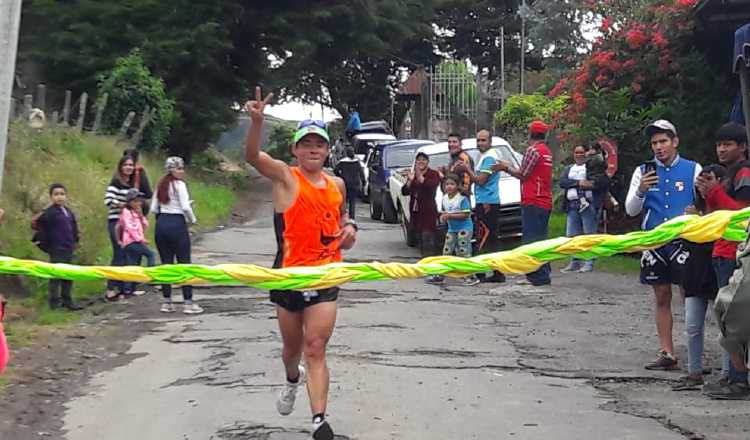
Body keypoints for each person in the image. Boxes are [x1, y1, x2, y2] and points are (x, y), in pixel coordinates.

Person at [245, 87, 357, 440]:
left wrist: (350, 229)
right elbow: (252, 157)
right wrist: (257, 122)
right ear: (295, 149)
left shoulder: (336, 182)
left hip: (325, 276)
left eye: (319, 144)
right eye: (306, 143)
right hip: (290, 276)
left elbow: (342, 218)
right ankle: (292, 380)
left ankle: (318, 421)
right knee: (292, 351)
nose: (313, 149)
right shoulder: (285, 176)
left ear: (327, 150)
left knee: (315, 347)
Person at [625, 119, 701, 371]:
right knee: (661, 294)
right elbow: (631, 210)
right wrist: (641, 190)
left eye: (663, 141)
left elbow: (705, 205)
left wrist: (696, 212)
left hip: (684, 239)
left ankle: (695, 354)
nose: (659, 147)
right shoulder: (642, 171)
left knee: (688, 293)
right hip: (654, 239)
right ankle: (667, 351)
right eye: (654, 143)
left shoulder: (693, 169)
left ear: (675, 142)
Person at [697, 122, 750, 399]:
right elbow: (715, 217)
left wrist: (715, 193)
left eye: (728, 144)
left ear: (742, 147)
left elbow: (742, 216)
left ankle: (740, 380)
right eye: (719, 144)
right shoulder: (726, 176)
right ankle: (731, 375)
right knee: (725, 318)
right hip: (721, 252)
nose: (721, 149)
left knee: (734, 320)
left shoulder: (744, 174)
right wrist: (705, 197)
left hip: (737, 255)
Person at [672, 165, 725, 391]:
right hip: (695, 272)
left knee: (725, 327)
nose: (703, 186)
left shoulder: (725, 212)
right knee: (692, 325)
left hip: (718, 270)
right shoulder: (691, 210)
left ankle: (727, 373)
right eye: (700, 182)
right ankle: (694, 372)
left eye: (708, 181)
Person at [495, 120, 554, 286]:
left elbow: (523, 174)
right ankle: (543, 272)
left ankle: (537, 276)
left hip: (532, 199)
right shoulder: (546, 151)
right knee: (542, 239)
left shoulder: (533, 151)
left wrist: (505, 167)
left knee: (532, 240)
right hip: (544, 200)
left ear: (530, 133)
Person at [150, 157, 202, 315]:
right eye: (179, 169)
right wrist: (192, 220)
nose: (182, 171)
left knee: (166, 264)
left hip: (161, 224)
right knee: (184, 263)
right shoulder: (180, 185)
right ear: (172, 170)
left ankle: (167, 302)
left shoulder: (161, 185)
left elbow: (153, 208)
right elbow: (185, 206)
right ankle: (188, 302)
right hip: (177, 223)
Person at [33, 184, 82, 310]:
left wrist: (76, 240)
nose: (59, 197)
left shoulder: (68, 212)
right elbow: (39, 227)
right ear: (51, 197)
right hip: (56, 248)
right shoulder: (49, 213)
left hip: (68, 247)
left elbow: (74, 227)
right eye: (56, 194)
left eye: (62, 194)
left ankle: (68, 301)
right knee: (55, 276)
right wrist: (46, 245)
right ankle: (54, 303)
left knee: (68, 275)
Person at [559, 145, 606, 273]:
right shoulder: (569, 168)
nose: (578, 155)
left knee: (589, 234)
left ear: (586, 153)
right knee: (573, 235)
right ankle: (575, 261)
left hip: (588, 204)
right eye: (576, 152)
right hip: (572, 205)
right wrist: (578, 183)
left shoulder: (591, 167)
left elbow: (598, 182)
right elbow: (562, 181)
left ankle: (589, 262)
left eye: (581, 152)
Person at [467, 129, 505, 283]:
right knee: (487, 237)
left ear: (490, 142)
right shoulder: (484, 156)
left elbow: (481, 180)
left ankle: (488, 272)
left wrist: (467, 170)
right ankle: (494, 271)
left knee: (485, 237)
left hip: (488, 202)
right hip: (484, 200)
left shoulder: (489, 157)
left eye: (483, 140)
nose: (480, 143)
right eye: (478, 140)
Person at [433, 173, 480, 286]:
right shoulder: (444, 198)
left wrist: (449, 216)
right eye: (447, 184)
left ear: (457, 185)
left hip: (464, 228)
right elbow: (444, 212)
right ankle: (441, 274)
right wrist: (443, 217)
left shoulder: (462, 199)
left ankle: (470, 276)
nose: (449, 187)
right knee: (447, 250)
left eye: (452, 184)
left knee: (464, 251)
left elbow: (466, 214)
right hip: (452, 229)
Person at [104, 155, 136, 302]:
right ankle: (110, 288)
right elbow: (108, 200)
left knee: (126, 254)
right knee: (118, 253)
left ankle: (123, 287)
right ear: (120, 167)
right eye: (126, 165)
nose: (129, 167)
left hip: (128, 223)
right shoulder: (115, 183)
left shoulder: (131, 184)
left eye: (131, 165)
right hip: (116, 222)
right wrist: (122, 205)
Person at [402, 152, 441, 269]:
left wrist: (419, 176)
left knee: (428, 237)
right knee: (420, 239)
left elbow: (430, 185)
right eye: (419, 160)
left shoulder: (433, 174)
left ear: (428, 162)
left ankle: (431, 266)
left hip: (428, 211)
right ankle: (424, 265)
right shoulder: (413, 175)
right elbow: (405, 191)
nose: (421, 162)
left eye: (424, 160)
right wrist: (409, 180)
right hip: (416, 212)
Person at [117, 188, 156, 279]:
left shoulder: (136, 213)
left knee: (132, 265)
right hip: (131, 241)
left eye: (139, 201)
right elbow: (130, 227)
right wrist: (140, 239)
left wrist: (141, 215)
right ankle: (150, 276)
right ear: (129, 202)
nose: (139, 203)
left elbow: (145, 225)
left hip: (135, 241)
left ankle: (129, 288)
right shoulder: (126, 212)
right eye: (136, 201)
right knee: (151, 254)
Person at [333, 147, 365, 219]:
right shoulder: (356, 162)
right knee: (352, 202)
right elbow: (361, 172)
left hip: (345, 183)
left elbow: (335, 170)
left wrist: (341, 177)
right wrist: (363, 181)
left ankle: (343, 216)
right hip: (355, 184)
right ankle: (351, 217)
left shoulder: (342, 162)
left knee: (344, 201)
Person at [122, 148, 153, 215]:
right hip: (136, 211)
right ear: (137, 159)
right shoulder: (140, 172)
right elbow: (148, 194)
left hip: (120, 210)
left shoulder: (119, 174)